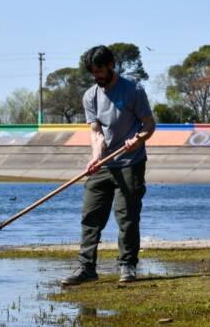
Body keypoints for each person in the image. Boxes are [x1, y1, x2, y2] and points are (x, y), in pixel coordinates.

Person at [61, 45, 155, 286]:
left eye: (100, 70)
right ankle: (87, 267)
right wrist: (95, 157)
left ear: (112, 64)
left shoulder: (134, 90)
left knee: (127, 217)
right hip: (103, 165)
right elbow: (96, 133)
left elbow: (148, 125)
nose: (97, 76)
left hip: (130, 163)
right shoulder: (90, 95)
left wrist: (138, 139)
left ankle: (127, 266)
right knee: (91, 215)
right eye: (93, 72)